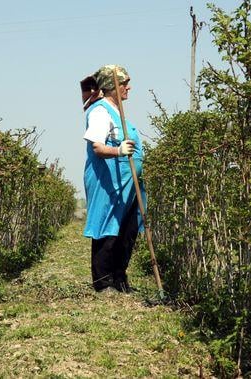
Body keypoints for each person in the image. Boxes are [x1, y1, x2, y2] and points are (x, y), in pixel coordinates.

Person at [81, 64, 146, 293]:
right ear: (112, 87)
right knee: (107, 228)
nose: (129, 87)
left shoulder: (119, 113)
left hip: (127, 183)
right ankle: (103, 282)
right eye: (124, 83)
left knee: (127, 230)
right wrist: (118, 151)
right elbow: (98, 147)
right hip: (108, 182)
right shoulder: (100, 111)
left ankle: (120, 279)